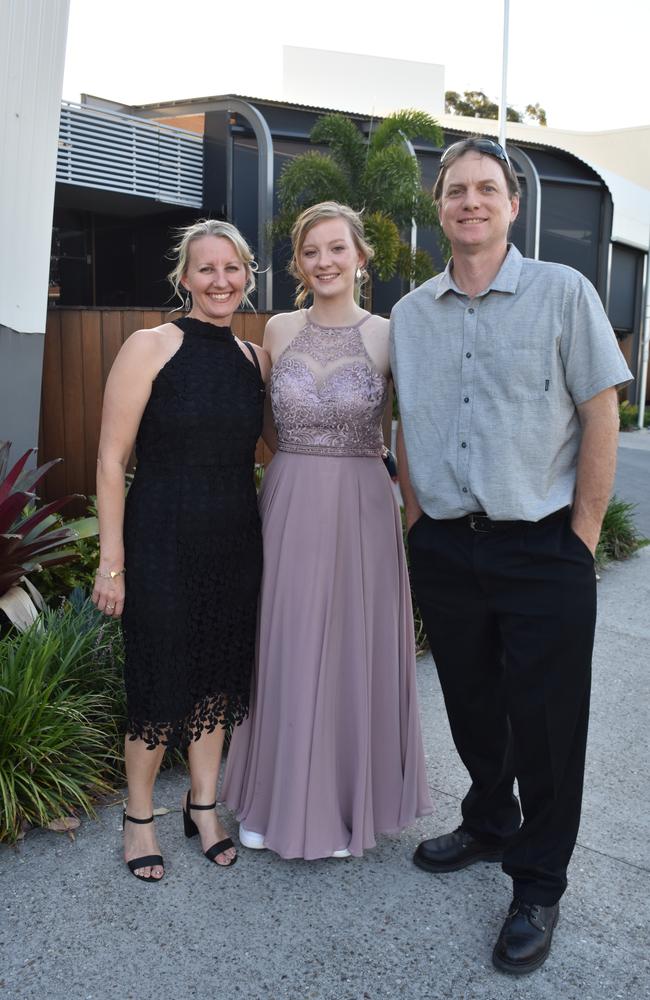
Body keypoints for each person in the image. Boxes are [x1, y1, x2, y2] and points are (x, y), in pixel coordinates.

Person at [390, 137, 633, 974]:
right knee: (471, 701)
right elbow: (408, 423)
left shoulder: (565, 293)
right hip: (448, 546)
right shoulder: (413, 313)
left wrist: (582, 535)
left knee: (548, 725)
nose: (471, 202)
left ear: (513, 205)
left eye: (486, 189)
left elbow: (601, 414)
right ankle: (490, 819)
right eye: (456, 190)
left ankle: (537, 883)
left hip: (543, 547)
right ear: (441, 208)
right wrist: (420, 521)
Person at [222, 201, 432, 858]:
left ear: (360, 257)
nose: (325, 262)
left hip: (364, 504)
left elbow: (412, 432)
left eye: (337, 249)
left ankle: (345, 805)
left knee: (349, 644)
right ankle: (274, 798)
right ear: (298, 263)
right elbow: (263, 425)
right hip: (288, 495)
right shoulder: (277, 330)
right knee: (284, 639)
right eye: (311, 252)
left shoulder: (390, 333)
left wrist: (414, 515)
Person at [93, 219, 270, 881]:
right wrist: (113, 560)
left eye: (232, 269)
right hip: (161, 534)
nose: (220, 281)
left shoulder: (256, 359)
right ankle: (139, 815)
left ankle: (203, 806)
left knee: (217, 678)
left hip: (233, 536)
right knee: (159, 677)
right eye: (206, 269)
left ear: (247, 276)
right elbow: (111, 461)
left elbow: (293, 442)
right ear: (185, 277)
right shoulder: (150, 346)